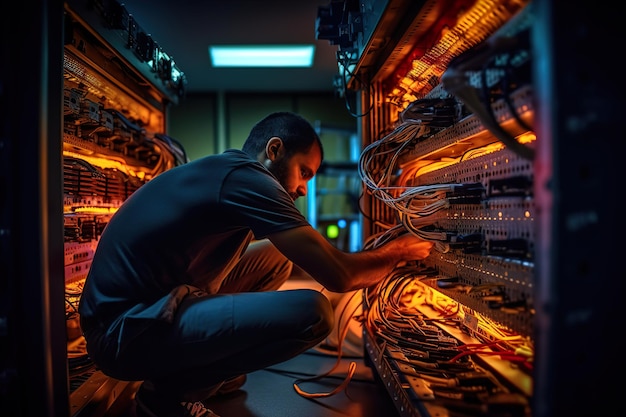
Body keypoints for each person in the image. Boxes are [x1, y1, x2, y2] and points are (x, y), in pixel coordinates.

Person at [78, 111, 433, 417]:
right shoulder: (247, 177)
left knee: (275, 258)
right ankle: (167, 397)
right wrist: (398, 250)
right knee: (313, 312)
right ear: (274, 150)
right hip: (122, 334)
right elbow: (339, 274)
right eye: (304, 172)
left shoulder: (227, 172)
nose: (304, 188)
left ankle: (195, 368)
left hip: (152, 308)